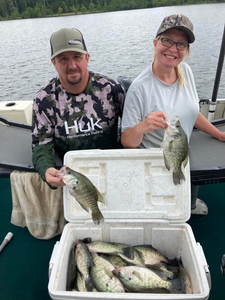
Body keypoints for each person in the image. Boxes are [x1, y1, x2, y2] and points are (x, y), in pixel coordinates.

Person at [32, 28, 126, 189]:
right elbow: (41, 147)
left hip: (112, 171)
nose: (72, 65)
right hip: (72, 179)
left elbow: (131, 131)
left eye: (77, 57)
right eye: (63, 59)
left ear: (87, 58)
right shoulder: (44, 100)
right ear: (53, 63)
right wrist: (47, 170)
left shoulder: (112, 89)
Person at [121, 14, 225, 149]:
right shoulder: (139, 89)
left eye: (181, 44)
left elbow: (191, 112)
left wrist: (219, 134)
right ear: (155, 43)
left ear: (186, 49)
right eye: (167, 40)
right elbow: (127, 142)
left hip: (182, 155)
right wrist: (142, 127)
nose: (173, 49)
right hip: (156, 163)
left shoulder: (185, 71)